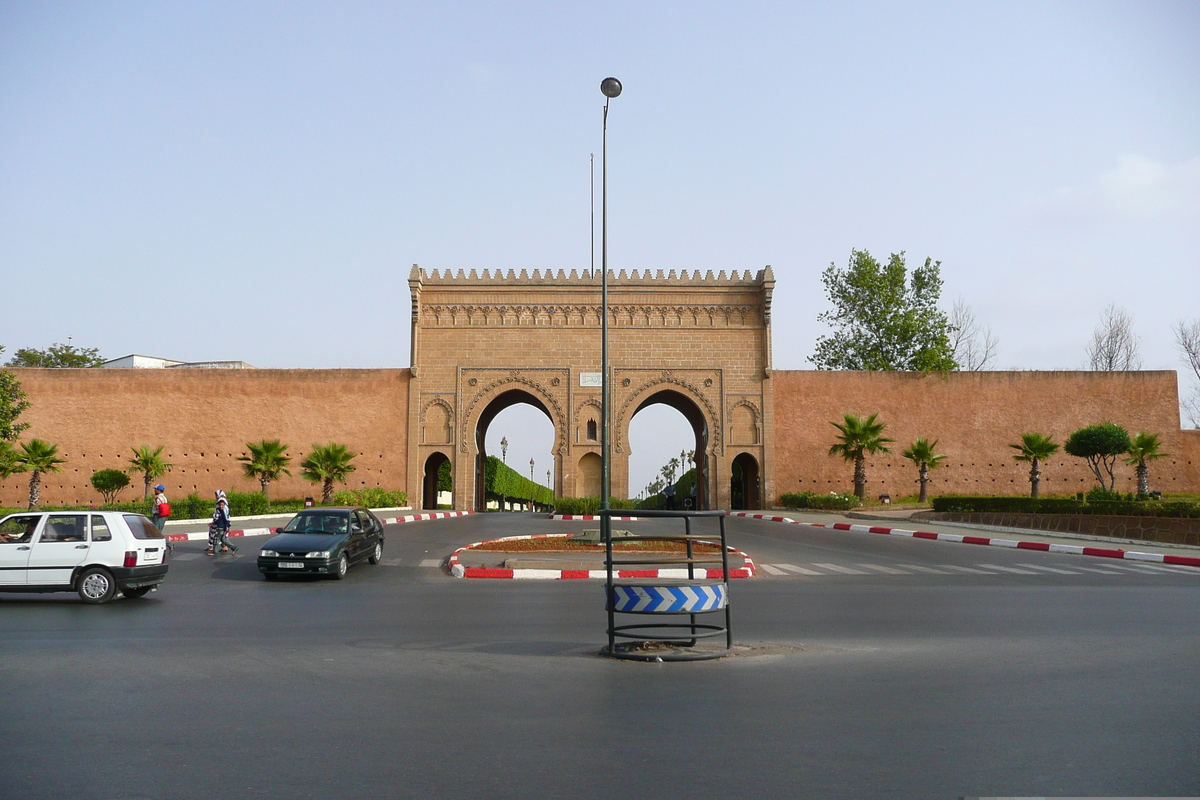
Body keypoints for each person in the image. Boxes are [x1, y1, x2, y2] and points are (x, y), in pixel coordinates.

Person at [152, 484, 173, 554]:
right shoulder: (164, 497)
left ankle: (169, 544)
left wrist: (154, 503)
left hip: (158, 516)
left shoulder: (158, 498)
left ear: (158, 490)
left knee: (157, 532)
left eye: (155, 489)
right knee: (156, 531)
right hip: (163, 516)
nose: (154, 490)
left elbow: (158, 508)